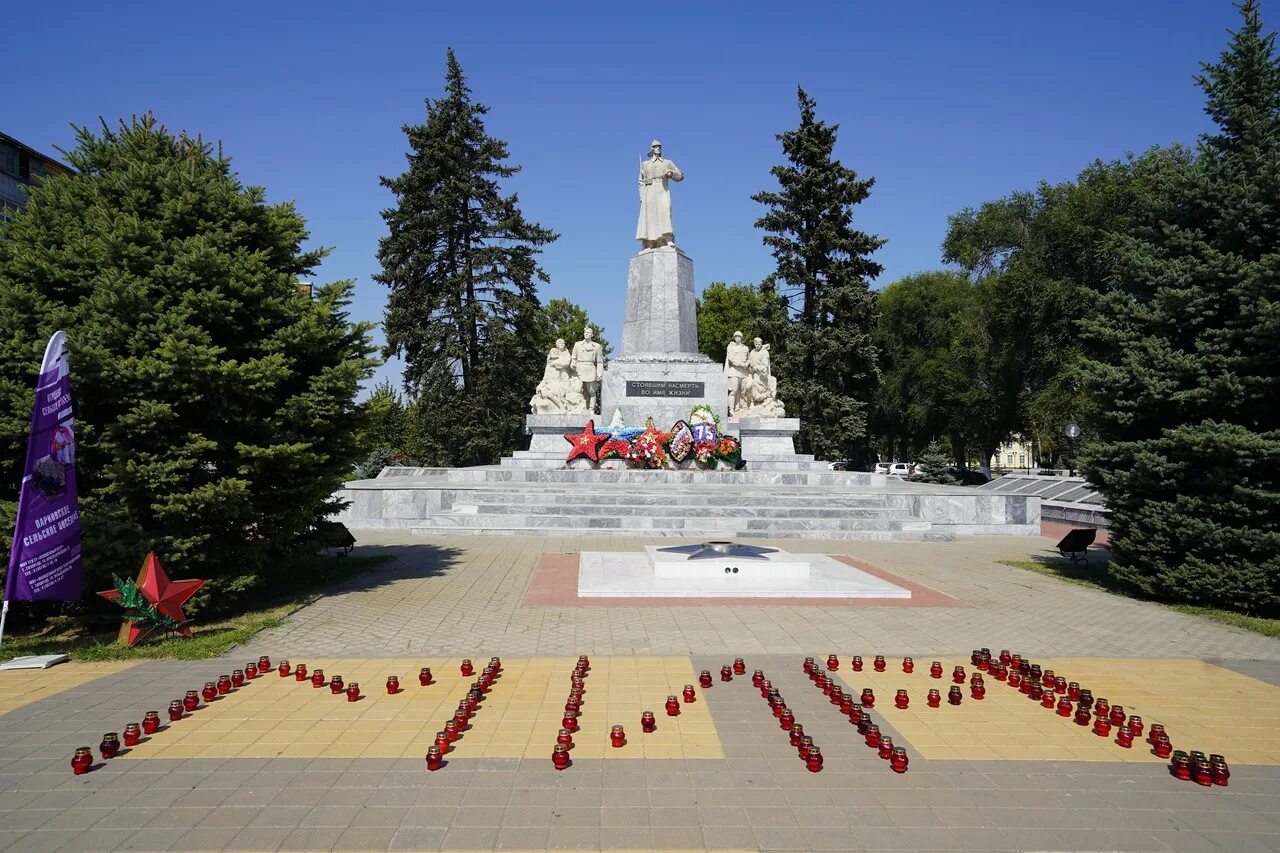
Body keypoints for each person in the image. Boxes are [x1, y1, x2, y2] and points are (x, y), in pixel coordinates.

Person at [636, 140, 684, 250]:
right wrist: (642, 196)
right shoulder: (645, 164)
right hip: (649, 191)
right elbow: (641, 182)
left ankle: (667, 238)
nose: (658, 148)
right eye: (655, 146)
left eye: (659, 146)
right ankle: (650, 242)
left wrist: (671, 174)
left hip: (662, 189)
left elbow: (680, 176)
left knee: (665, 212)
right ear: (652, 149)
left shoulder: (667, 162)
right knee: (650, 215)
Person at [570, 327, 604, 413]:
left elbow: (599, 362)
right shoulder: (577, 344)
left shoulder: (597, 346)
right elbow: (573, 358)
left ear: (592, 335)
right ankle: (576, 408)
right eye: (585, 332)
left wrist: (599, 373)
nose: (586, 334)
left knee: (592, 392)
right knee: (576, 390)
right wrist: (572, 364)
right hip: (579, 369)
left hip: (590, 369)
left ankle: (591, 409)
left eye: (588, 332)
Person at [723, 331, 749, 414]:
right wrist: (742, 364)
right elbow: (731, 358)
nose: (737, 338)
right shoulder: (730, 347)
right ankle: (731, 409)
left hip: (744, 373)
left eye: (739, 336)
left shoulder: (745, 348)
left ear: (741, 338)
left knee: (743, 391)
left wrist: (747, 363)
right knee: (734, 390)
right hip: (734, 371)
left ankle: (742, 408)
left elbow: (749, 358)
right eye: (736, 336)